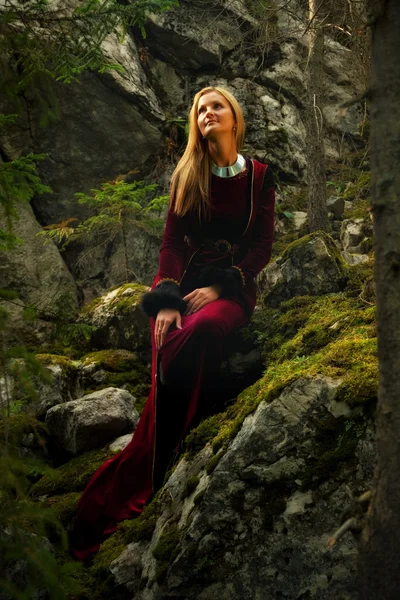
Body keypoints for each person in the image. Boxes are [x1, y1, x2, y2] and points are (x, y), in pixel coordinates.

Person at [69, 86, 275, 562]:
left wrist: (224, 287)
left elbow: (261, 246)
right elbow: (172, 245)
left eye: (216, 106)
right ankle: (169, 430)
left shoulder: (260, 177)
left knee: (203, 330)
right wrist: (165, 298)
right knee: (173, 332)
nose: (207, 114)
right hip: (184, 288)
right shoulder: (188, 173)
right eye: (200, 110)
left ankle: (166, 427)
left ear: (234, 118)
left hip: (231, 290)